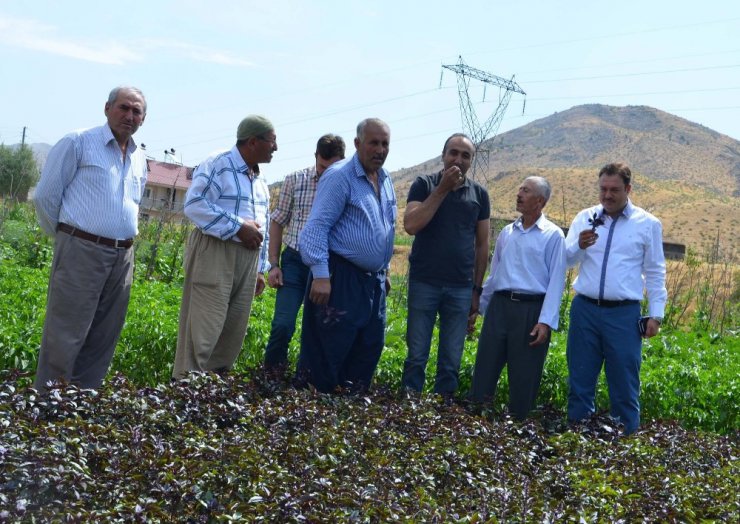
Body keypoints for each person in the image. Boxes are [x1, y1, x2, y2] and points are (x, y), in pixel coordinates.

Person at [33, 86, 148, 390]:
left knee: (104, 335)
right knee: (65, 333)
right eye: (124, 107)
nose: (129, 115)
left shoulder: (140, 158)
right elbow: (45, 196)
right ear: (107, 108)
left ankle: (81, 409)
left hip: (123, 256)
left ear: (143, 119)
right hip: (81, 249)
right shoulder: (79, 142)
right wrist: (65, 237)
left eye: (136, 111)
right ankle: (47, 408)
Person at [565, 162, 667, 434]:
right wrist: (578, 245)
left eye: (614, 190)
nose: (607, 195)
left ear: (628, 189)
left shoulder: (648, 224)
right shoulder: (584, 217)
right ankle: (577, 443)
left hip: (624, 315)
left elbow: (656, 271)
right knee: (580, 382)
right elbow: (564, 260)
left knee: (624, 386)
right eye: (603, 189)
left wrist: (656, 314)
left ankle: (626, 452)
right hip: (584, 310)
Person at [296, 118, 396, 393]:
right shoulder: (340, 176)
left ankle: (347, 420)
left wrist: (384, 270)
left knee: (367, 350)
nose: (380, 149)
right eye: (373, 143)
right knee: (328, 354)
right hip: (340, 280)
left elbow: (386, 228)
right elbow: (316, 227)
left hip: (373, 284)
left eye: (385, 143)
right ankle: (313, 417)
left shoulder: (385, 180)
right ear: (357, 144)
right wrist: (320, 275)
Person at [172, 115, 276, 378]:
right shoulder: (219, 164)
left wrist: (260, 269)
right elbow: (194, 204)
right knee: (204, 331)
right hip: (216, 251)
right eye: (271, 142)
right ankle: (186, 392)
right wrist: (239, 226)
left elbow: (261, 225)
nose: (275, 148)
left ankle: (212, 396)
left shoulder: (260, 181)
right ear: (253, 141)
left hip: (247, 261)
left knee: (232, 333)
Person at [400, 133, 490, 397]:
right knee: (416, 356)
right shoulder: (424, 184)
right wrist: (442, 190)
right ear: (443, 155)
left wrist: (476, 289)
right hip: (424, 282)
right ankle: (408, 410)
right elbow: (411, 225)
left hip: (460, 288)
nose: (458, 159)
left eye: (465, 155)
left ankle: (443, 416)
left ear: (471, 161)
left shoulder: (479, 194)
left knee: (451, 361)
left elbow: (482, 244)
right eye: (453, 153)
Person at [468, 176, 566, 418]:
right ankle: (475, 426)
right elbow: (495, 275)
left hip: (530, 311)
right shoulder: (507, 233)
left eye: (526, 191)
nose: (519, 194)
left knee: (524, 376)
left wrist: (545, 321)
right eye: (519, 189)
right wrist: (478, 308)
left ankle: (519, 433)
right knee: (484, 369)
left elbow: (556, 283)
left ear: (540, 201)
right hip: (499, 308)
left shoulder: (553, 236)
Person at [264, 134, 346, 370]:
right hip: (295, 262)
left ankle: (308, 383)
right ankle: (271, 375)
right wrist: (274, 264)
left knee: (322, 331)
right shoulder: (295, 180)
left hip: (329, 268)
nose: (327, 173)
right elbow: (278, 221)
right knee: (283, 324)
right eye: (322, 167)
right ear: (315, 157)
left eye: (333, 167)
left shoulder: (348, 185)